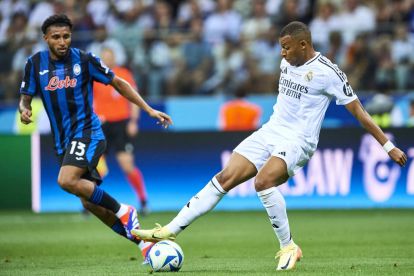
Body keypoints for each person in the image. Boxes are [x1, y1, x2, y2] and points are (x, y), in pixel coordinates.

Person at [132, 21, 407, 271]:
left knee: (263, 182)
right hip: (271, 130)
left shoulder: (328, 73)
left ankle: (288, 245)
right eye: (280, 48)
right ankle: (171, 229)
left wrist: (387, 146)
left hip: (299, 140)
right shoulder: (287, 62)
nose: (282, 54)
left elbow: (359, 111)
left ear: (304, 44)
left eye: (286, 48)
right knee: (225, 177)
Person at [18, 14, 172, 262]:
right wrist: (24, 109)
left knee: (66, 180)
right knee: (90, 203)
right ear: (45, 38)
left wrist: (149, 110)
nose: (62, 42)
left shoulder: (85, 60)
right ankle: (142, 241)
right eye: (56, 37)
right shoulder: (34, 64)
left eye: (66, 36)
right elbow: (26, 96)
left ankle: (125, 210)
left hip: (88, 131)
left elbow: (119, 83)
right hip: (63, 142)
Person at [93, 47, 149, 215]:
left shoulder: (123, 74)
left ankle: (143, 200)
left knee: (127, 165)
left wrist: (133, 121)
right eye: (104, 56)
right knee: (97, 167)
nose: (107, 59)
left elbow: (134, 99)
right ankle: (90, 203)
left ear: (114, 57)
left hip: (121, 125)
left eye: (110, 56)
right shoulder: (95, 75)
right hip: (102, 125)